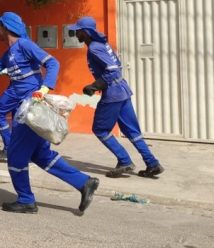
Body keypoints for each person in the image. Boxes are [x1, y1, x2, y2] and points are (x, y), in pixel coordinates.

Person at [0, 11, 99, 214]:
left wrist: (44, 88)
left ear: (6, 28)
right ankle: (84, 182)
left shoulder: (25, 45)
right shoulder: (8, 54)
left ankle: (26, 200)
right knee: (42, 155)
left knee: (16, 158)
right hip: (25, 113)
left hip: (32, 111)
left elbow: (53, 63)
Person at [69, 16, 164, 178]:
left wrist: (95, 85)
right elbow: (117, 65)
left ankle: (124, 161)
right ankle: (152, 163)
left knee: (100, 129)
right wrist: (98, 84)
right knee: (132, 131)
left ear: (85, 32)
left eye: (77, 31)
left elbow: (112, 70)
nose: (75, 34)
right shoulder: (102, 44)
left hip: (113, 93)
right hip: (122, 90)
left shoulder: (94, 48)